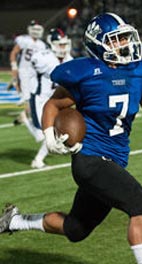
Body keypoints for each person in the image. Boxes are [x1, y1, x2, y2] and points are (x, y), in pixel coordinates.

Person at [0, 13, 142, 264]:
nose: (125, 43)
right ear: (98, 43)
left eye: (126, 37)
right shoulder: (85, 73)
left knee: (76, 229)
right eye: (117, 39)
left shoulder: (140, 73)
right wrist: (50, 135)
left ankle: (12, 221)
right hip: (90, 160)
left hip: (113, 161)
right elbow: (53, 104)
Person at [29, 28, 73, 169]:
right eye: (60, 44)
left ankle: (38, 160)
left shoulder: (69, 59)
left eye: (65, 44)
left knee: (55, 131)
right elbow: (33, 67)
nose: (63, 47)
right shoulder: (44, 57)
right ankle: (26, 120)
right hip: (41, 99)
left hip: (57, 100)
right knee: (44, 135)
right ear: (52, 44)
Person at [9, 20, 46, 142]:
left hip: (35, 74)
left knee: (35, 99)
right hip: (24, 72)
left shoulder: (41, 44)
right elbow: (14, 53)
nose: (36, 32)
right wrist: (14, 69)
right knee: (31, 100)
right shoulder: (24, 40)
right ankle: (26, 117)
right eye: (34, 29)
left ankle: (24, 116)